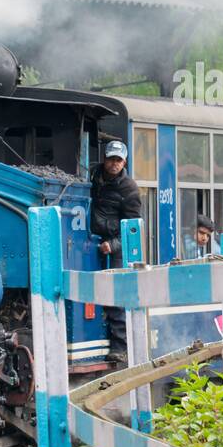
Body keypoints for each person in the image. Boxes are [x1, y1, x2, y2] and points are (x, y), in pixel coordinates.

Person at [90, 140, 143, 364]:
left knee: (115, 294)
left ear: (125, 161)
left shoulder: (129, 189)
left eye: (118, 160)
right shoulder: (93, 175)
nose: (114, 163)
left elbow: (133, 227)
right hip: (92, 240)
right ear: (104, 158)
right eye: (111, 158)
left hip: (114, 245)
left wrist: (113, 244)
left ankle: (120, 347)